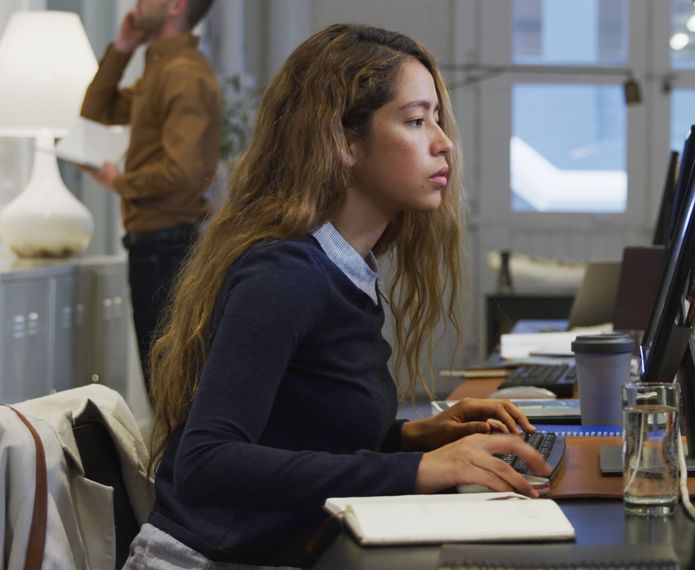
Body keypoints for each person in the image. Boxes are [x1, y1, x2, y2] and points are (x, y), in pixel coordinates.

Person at [121, 24, 551, 568]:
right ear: (344, 142)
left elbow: (297, 430)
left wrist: (412, 438)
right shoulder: (285, 273)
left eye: (437, 120)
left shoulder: (346, 270)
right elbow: (208, 462)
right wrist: (419, 470)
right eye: (417, 121)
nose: (443, 143)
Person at [80, 0, 221, 400]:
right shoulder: (162, 69)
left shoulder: (182, 73)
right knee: (163, 378)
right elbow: (97, 110)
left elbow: (185, 173)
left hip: (167, 247)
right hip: (157, 245)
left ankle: (178, 464)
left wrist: (120, 181)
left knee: (168, 382)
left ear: (176, 6)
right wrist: (122, 47)